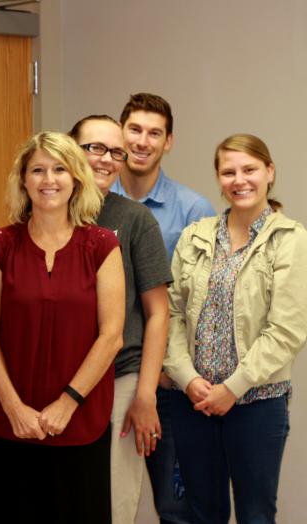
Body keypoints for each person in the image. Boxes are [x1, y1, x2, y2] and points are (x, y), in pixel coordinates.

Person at [0, 131, 125, 523]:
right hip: (9, 425)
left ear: (76, 178)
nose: (49, 179)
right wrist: (13, 408)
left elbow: (111, 336)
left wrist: (67, 402)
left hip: (80, 423)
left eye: (60, 169)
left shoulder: (102, 246)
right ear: (23, 180)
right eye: (37, 170)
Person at [165, 134, 307, 524]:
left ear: (269, 172)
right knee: (202, 513)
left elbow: (287, 330)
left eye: (250, 169)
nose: (239, 180)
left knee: (256, 514)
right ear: (218, 178)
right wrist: (187, 378)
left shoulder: (290, 240)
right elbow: (172, 314)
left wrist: (233, 387)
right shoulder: (196, 236)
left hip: (257, 402)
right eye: (228, 172)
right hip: (193, 401)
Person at [114, 92, 214, 523]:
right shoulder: (90, 201)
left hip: (169, 384)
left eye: (154, 133)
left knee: (175, 506)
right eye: (134, 129)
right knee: (106, 498)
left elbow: (200, 305)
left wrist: (169, 374)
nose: (142, 141)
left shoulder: (193, 209)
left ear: (168, 142)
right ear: (120, 133)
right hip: (110, 374)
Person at [70, 115, 172, 524]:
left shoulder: (134, 220)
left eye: (116, 152)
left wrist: (145, 394)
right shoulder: (47, 213)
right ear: (70, 149)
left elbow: (158, 312)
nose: (106, 159)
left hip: (120, 381)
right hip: (58, 384)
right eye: (95, 148)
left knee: (114, 504)